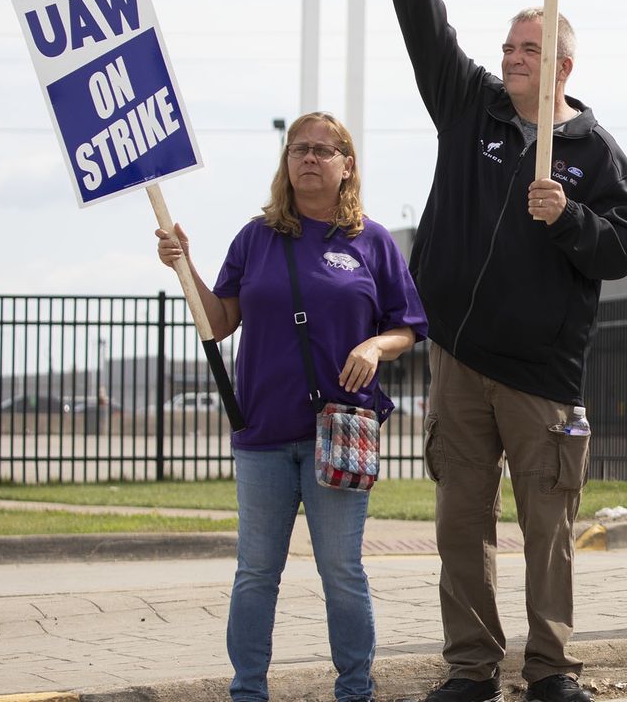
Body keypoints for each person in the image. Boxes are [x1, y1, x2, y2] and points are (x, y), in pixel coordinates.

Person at [377, 0, 627, 702]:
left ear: (562, 64)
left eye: (528, 47)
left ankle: (551, 669)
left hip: (541, 377)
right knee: (460, 525)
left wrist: (569, 219)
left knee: (547, 533)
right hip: (459, 361)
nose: (511, 57)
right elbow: (428, 32)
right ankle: (469, 667)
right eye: (507, 45)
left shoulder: (594, 152)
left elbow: (623, 247)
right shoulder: (469, 107)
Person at [154, 111, 427, 702]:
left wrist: (375, 345)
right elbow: (220, 320)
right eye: (299, 149)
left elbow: (407, 327)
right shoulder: (257, 238)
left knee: (342, 572)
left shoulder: (371, 241)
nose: (309, 158)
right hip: (264, 434)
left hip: (340, 432)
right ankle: (247, 690)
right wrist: (184, 265)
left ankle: (355, 688)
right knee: (256, 573)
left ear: (347, 165)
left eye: (323, 150)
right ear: (286, 163)